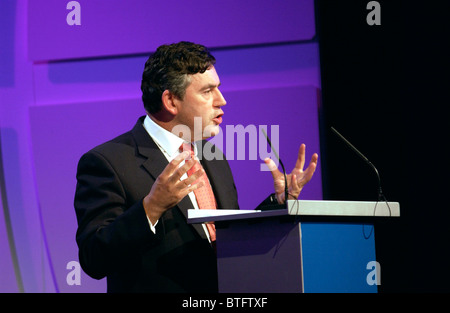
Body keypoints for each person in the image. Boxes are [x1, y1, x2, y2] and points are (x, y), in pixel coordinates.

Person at [74, 41, 318, 293]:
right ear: (170, 100)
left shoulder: (213, 156)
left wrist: (277, 204)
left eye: (218, 89)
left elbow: (227, 239)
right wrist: (151, 208)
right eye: (207, 91)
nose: (221, 100)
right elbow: (94, 258)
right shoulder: (108, 162)